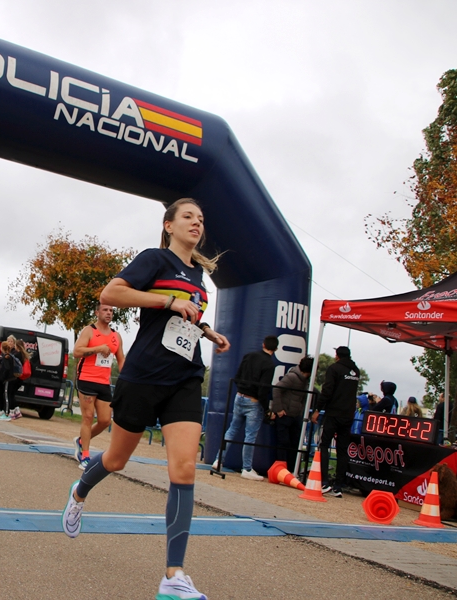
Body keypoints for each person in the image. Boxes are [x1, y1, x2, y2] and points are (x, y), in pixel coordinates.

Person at [62, 198, 230, 600]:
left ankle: (173, 576)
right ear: (169, 225)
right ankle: (80, 492)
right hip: (143, 377)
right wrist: (168, 301)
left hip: (186, 378)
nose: (196, 223)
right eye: (188, 217)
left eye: (201, 219)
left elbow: (184, 315)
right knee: (117, 460)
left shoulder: (197, 275)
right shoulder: (154, 259)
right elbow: (113, 292)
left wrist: (206, 331)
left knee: (185, 468)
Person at [211, 335, 278, 480]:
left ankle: (218, 460)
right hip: (253, 402)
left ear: (263, 344)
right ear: (276, 349)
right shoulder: (269, 365)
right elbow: (264, 389)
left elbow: (238, 375)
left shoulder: (249, 356)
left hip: (239, 396)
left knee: (232, 429)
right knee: (250, 436)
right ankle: (246, 468)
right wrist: (266, 409)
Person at [72, 304, 126, 470]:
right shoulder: (89, 330)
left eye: (111, 310)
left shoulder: (116, 336)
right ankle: (85, 455)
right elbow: (76, 351)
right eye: (105, 310)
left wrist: (126, 379)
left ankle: (81, 440)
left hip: (103, 382)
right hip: (86, 378)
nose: (109, 313)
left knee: (104, 420)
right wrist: (98, 348)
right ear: (97, 312)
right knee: (88, 417)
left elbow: (121, 358)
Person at [311, 345, 361, 498]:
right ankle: (339, 485)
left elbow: (327, 390)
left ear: (337, 355)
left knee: (324, 445)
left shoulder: (334, 369)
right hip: (348, 415)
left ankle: (324, 481)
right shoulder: (356, 371)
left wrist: (318, 408)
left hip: (334, 413)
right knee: (342, 450)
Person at [271, 356, 313, 473]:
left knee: (294, 444)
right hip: (286, 415)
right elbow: (277, 389)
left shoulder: (304, 380)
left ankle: (292, 470)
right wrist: (279, 409)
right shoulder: (292, 377)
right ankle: (281, 470)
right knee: (283, 443)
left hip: (296, 416)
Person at [0, 341, 21, 421]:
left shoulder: (6, 357)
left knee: (7, 397)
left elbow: (5, 369)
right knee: (9, 396)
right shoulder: (11, 356)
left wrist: (1, 378)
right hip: (13, 378)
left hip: (8, 380)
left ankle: (6, 414)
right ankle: (12, 413)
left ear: (2, 348)